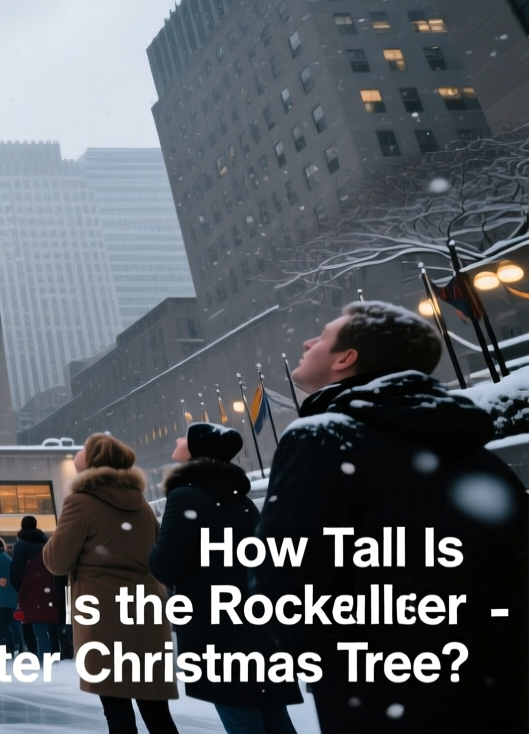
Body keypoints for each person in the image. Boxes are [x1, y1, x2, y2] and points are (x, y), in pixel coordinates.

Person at [253, 301, 529, 732]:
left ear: (346, 358)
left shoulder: (323, 437)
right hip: (495, 691)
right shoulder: (473, 450)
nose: (308, 342)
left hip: (382, 697)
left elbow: (284, 581)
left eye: (323, 336)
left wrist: (339, 670)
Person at [151, 422, 300, 734]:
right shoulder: (242, 502)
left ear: (196, 450)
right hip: (255, 624)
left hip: (217, 627)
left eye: (185, 436)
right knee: (273, 716)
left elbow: (164, 566)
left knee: (241, 720)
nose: (178, 438)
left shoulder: (185, 497)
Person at [43, 433, 178, 734]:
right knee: (157, 712)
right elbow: (156, 551)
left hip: (104, 618)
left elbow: (57, 561)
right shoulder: (140, 503)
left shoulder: (80, 503)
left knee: (117, 713)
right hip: (146, 615)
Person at [8, 515, 64, 659]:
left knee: (33, 624)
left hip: (30, 589)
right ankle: (56, 657)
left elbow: (15, 570)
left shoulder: (20, 545)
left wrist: (19, 588)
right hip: (49, 586)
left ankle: (39, 657)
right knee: (50, 623)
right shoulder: (47, 543)